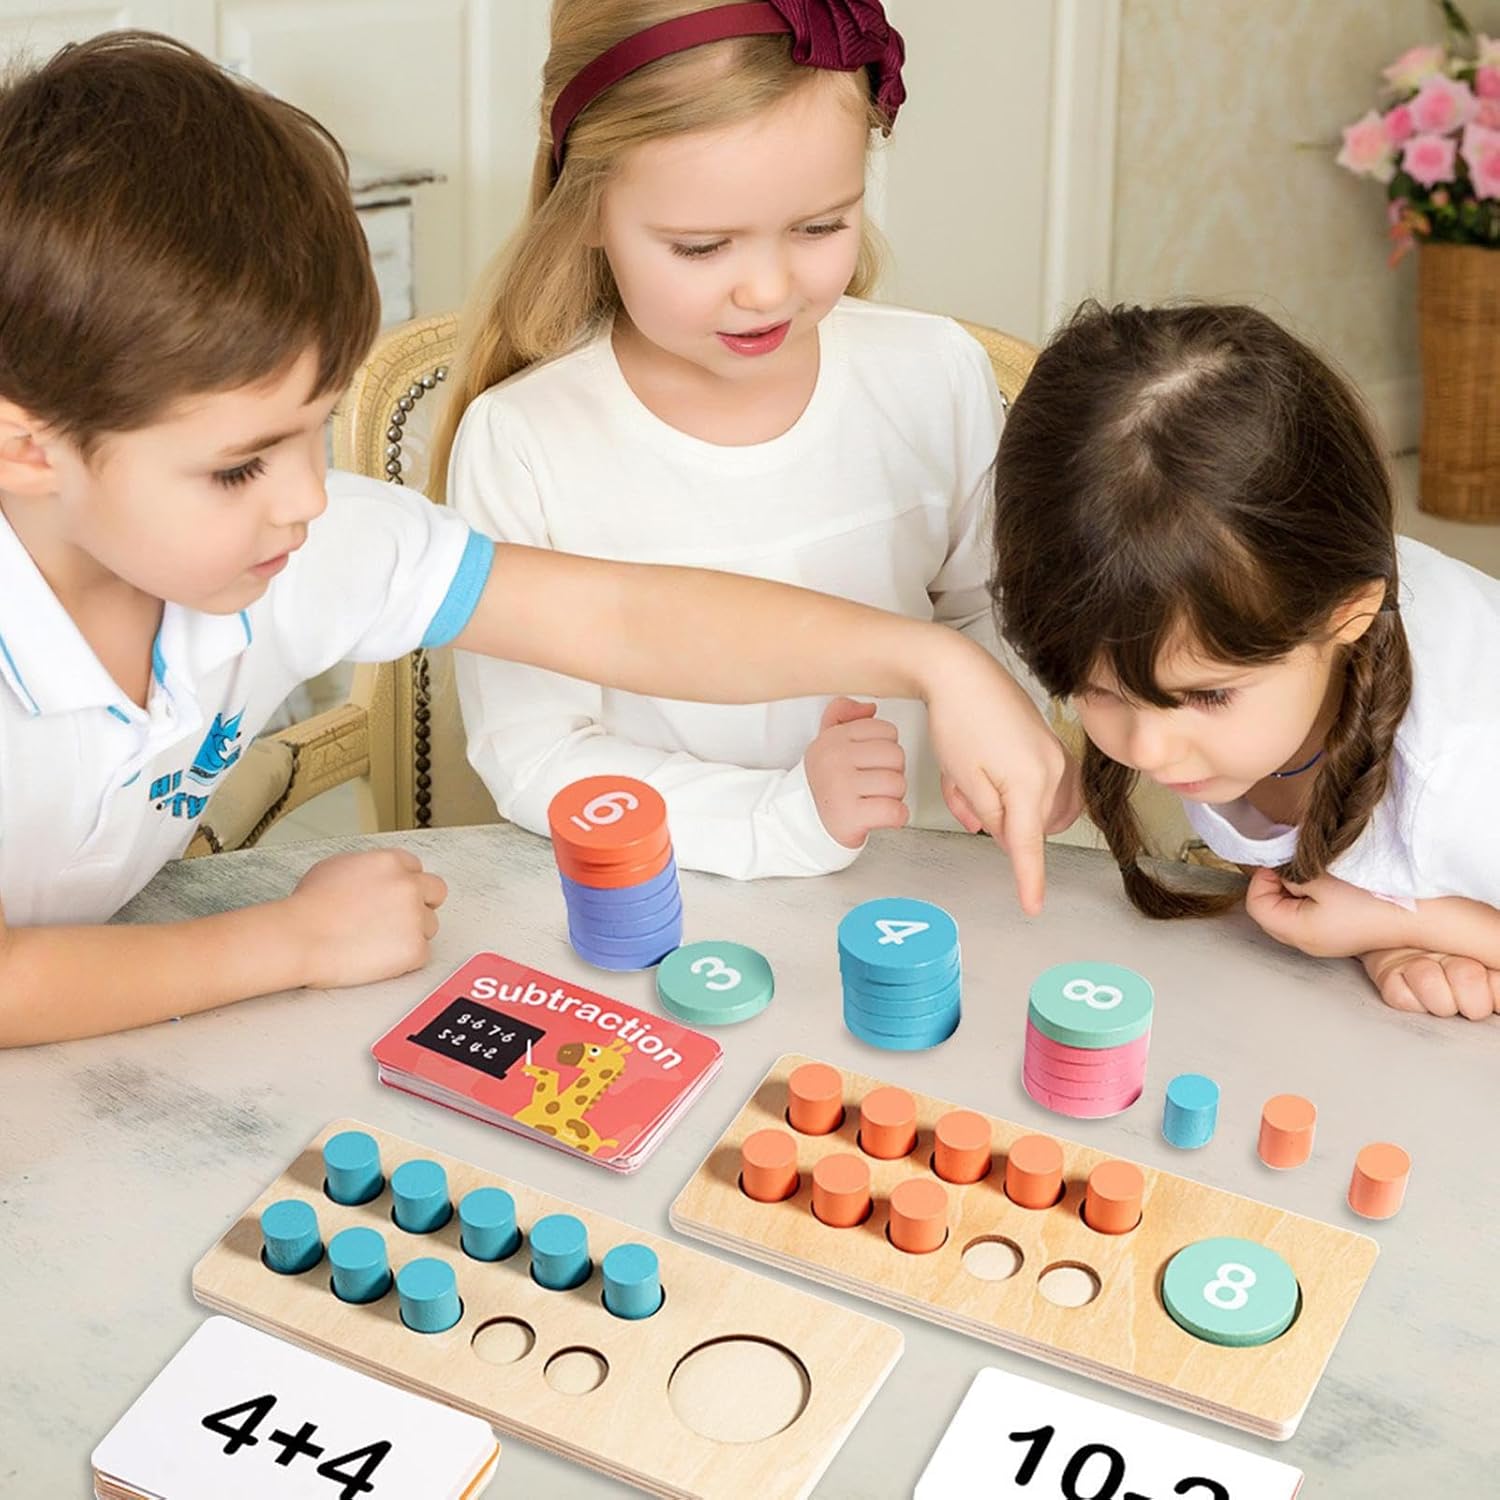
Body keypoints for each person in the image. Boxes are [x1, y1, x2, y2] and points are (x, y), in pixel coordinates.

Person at [0, 31, 1072, 1046]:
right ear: (27, 447)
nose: (307, 499)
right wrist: (290, 942)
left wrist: (935, 662)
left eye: (313, 432)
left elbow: (624, 617)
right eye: (239, 466)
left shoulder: (303, 546)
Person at [435, 0, 1057, 878]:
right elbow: (534, 752)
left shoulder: (933, 375)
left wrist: (1015, 737)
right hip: (672, 901)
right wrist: (782, 817)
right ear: (586, 210)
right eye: (701, 247)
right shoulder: (526, 441)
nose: (767, 291)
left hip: (931, 883)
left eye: (820, 227)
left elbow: (994, 609)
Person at [990, 300, 1500, 1020]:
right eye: (1098, 690)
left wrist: (1409, 923)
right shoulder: (1256, 626)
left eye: (1208, 696)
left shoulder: (1468, 774)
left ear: (1349, 614)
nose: (1149, 750)